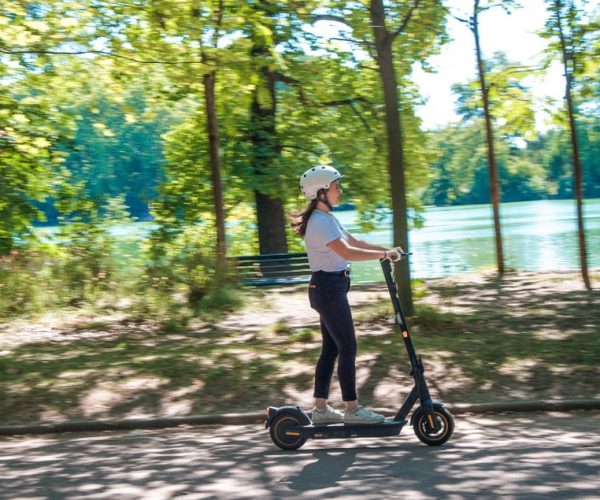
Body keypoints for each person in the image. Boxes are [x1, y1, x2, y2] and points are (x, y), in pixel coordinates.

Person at [291, 165, 404, 425]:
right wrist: (383, 256)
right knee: (347, 347)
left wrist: (386, 250)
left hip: (329, 288)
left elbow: (356, 244)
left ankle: (320, 410)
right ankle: (352, 410)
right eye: (335, 187)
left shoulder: (327, 218)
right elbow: (348, 253)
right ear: (321, 192)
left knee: (331, 349)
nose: (339, 191)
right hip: (328, 289)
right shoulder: (320, 222)